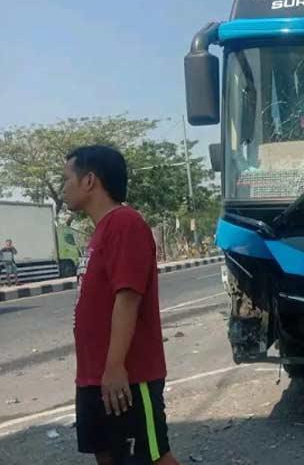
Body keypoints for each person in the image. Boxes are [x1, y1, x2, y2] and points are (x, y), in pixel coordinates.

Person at [62, 145, 179, 465]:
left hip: (128, 375)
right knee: (109, 456)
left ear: (89, 181)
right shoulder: (100, 231)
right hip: (94, 376)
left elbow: (127, 299)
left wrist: (114, 368)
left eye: (66, 179)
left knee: (153, 457)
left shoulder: (125, 223)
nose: (63, 189)